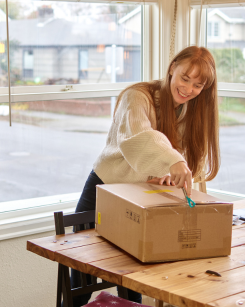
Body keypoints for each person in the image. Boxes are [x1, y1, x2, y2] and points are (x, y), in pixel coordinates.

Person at [71, 46, 221, 306]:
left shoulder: (192, 111)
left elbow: (188, 161)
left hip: (142, 200)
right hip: (105, 190)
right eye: (185, 78)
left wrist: (168, 174)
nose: (188, 89)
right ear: (172, 67)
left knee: (134, 282)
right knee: (81, 286)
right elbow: (139, 138)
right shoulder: (136, 97)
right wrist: (172, 161)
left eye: (198, 85)